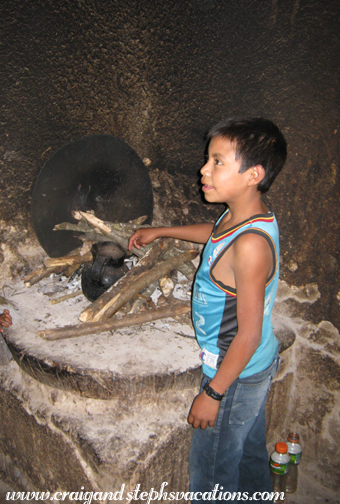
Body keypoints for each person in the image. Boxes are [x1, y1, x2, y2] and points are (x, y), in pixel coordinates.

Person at [129, 117, 287, 501]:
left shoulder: (250, 246)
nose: (204, 168)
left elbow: (245, 335)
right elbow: (214, 232)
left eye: (217, 161)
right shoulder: (245, 216)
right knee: (249, 455)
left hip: (234, 375)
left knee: (212, 474)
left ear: (253, 174)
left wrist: (212, 394)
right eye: (208, 159)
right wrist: (162, 230)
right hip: (255, 366)